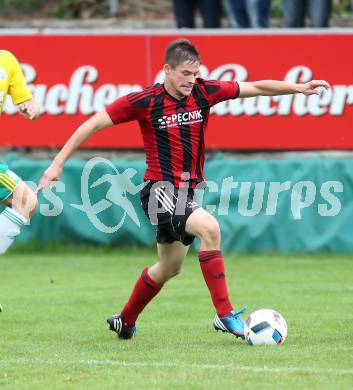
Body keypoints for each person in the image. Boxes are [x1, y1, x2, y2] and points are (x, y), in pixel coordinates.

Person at [37, 39, 329, 340]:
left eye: (195, 73)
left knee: (168, 268)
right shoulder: (146, 101)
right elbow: (93, 123)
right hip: (159, 190)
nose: (192, 80)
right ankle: (225, 314)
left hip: (188, 194)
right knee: (211, 229)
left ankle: (126, 319)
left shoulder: (204, 91)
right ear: (167, 70)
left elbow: (255, 87)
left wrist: (298, 88)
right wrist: (57, 164)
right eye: (186, 73)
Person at [0, 50, 40, 254]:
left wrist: (30, 108)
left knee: (25, 202)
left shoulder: (6, 61)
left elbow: (30, 104)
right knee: (26, 201)